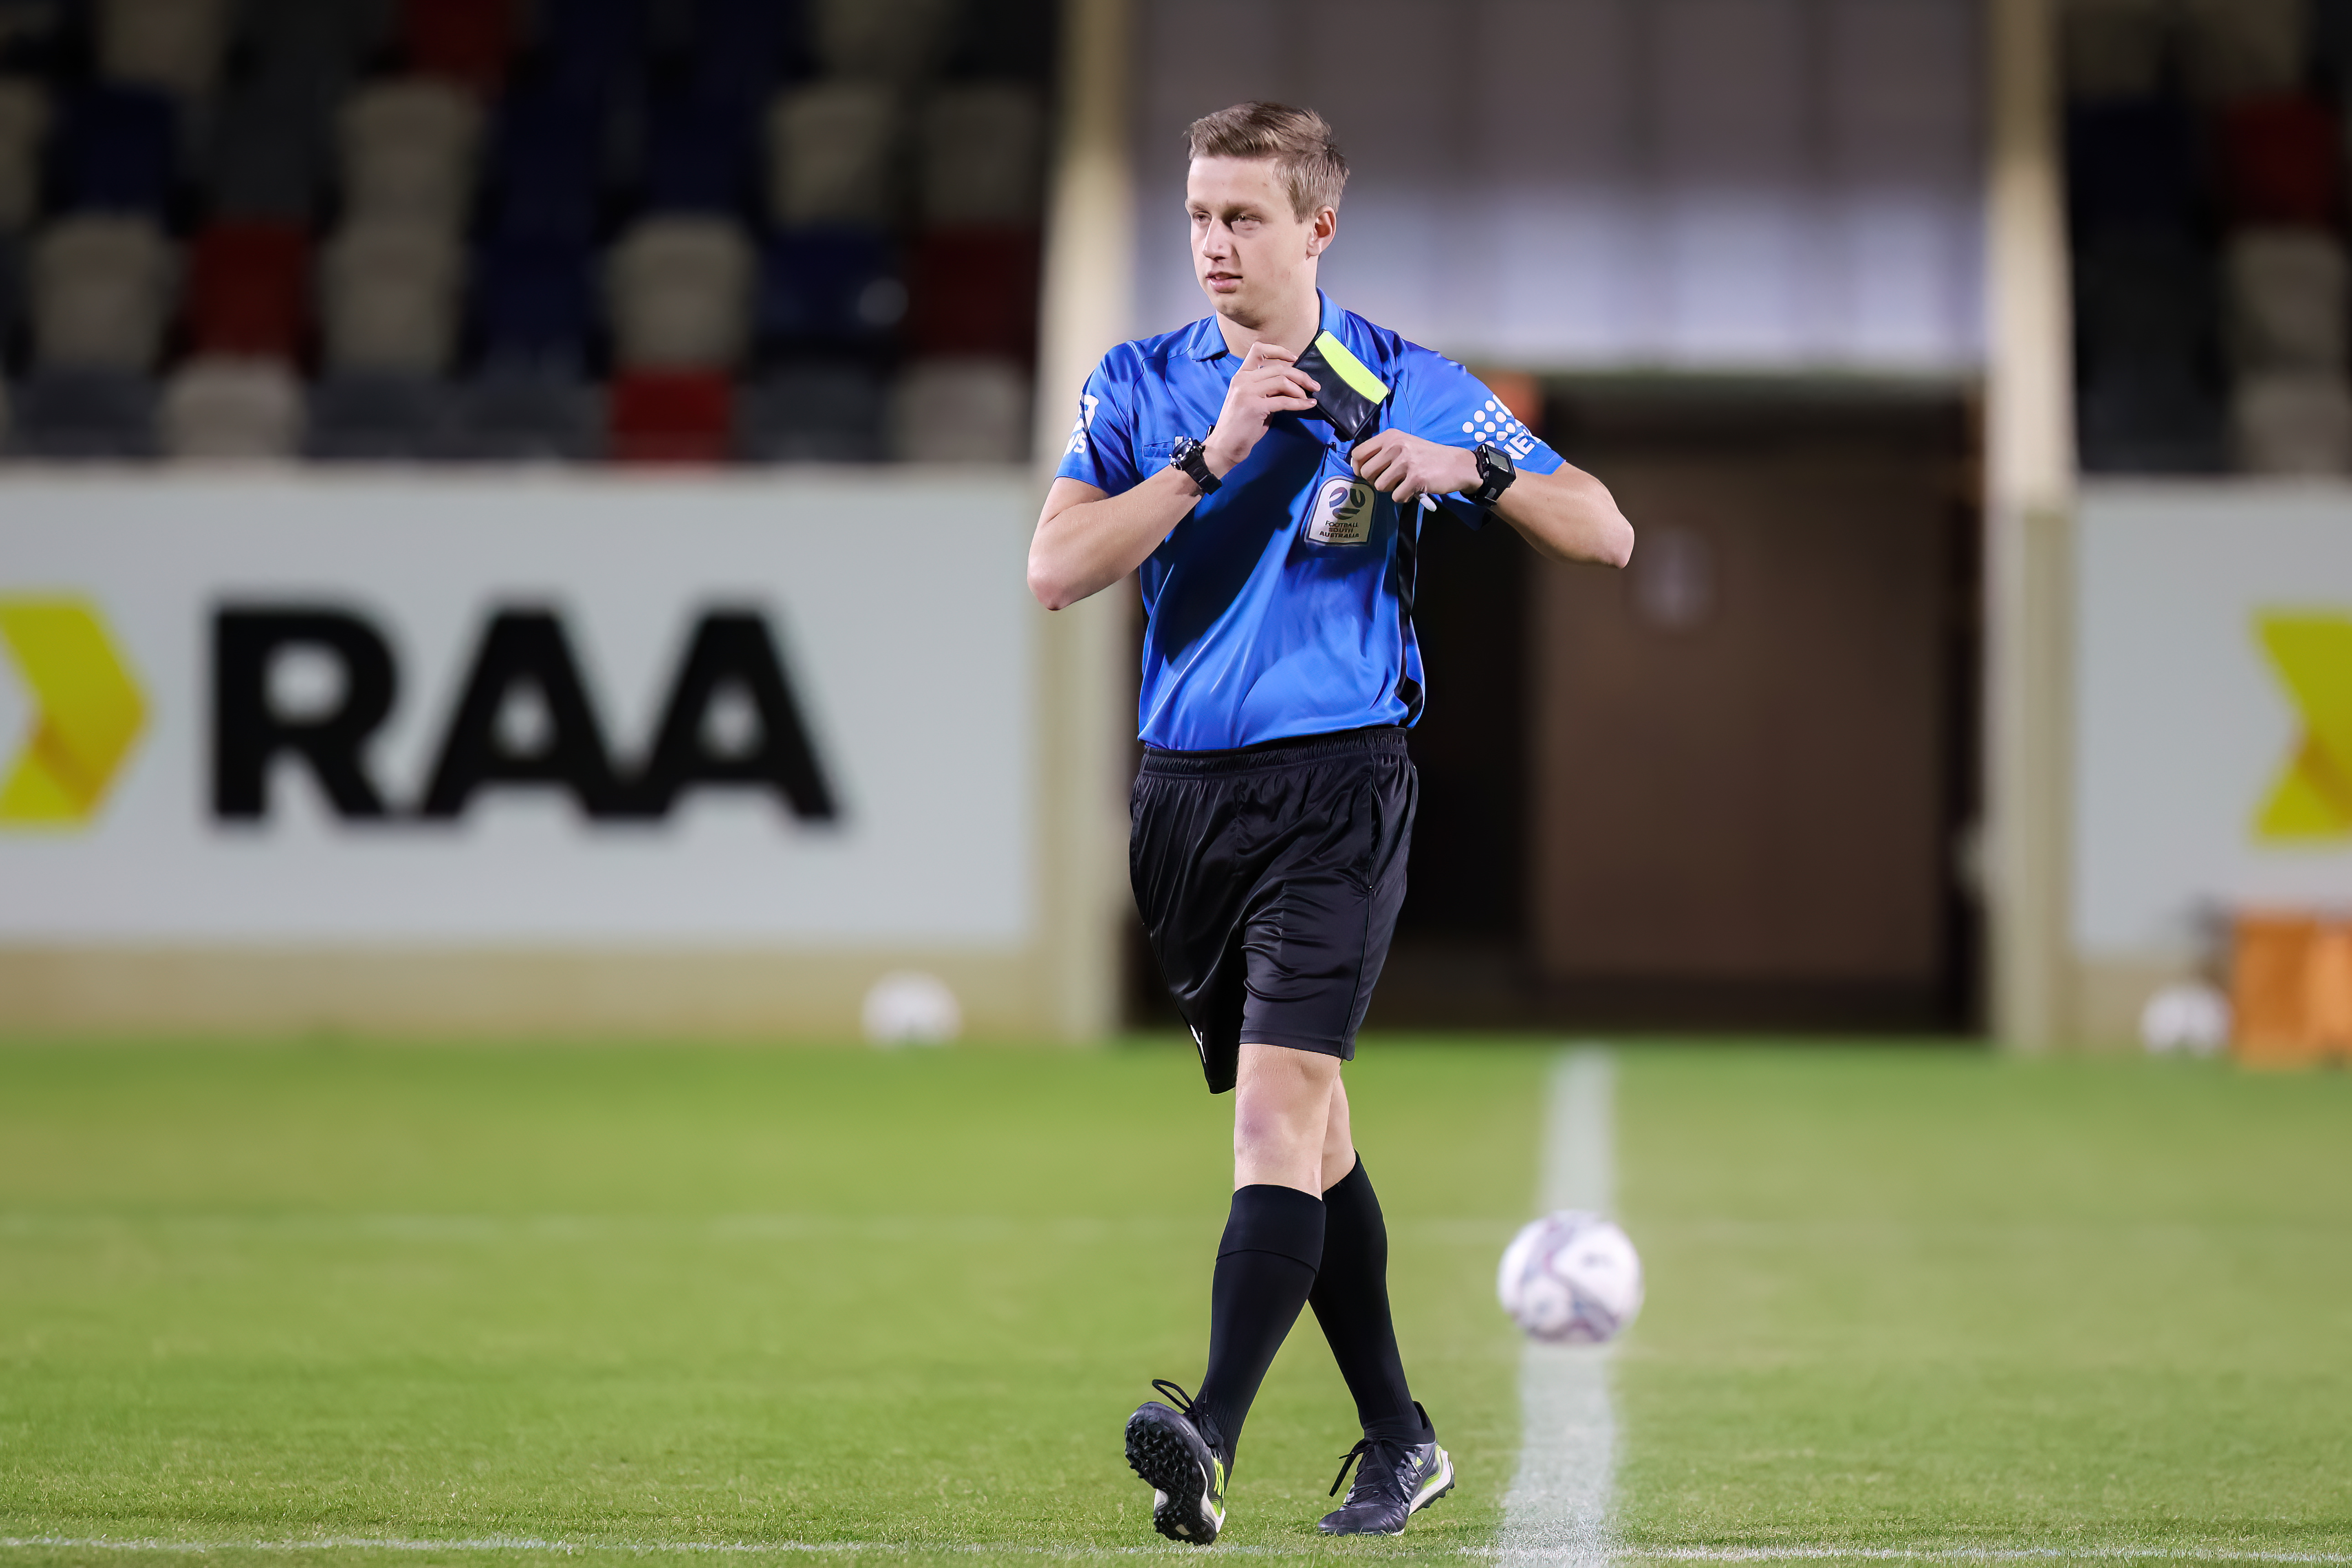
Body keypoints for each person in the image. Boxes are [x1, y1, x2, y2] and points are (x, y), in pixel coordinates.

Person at [1026, 101, 1635, 1546]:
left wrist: (1473, 470)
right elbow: (1055, 568)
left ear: (1318, 228)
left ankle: (1209, 1434)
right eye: (1197, 215)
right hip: (1183, 802)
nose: (1214, 244)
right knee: (1317, 1135)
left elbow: (1604, 528)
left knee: (1276, 1110)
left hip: (1339, 788)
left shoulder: (1403, 380)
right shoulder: (1140, 383)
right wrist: (1206, 460)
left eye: (1243, 217)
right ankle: (1402, 1439)